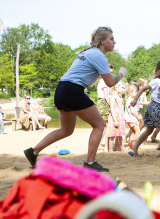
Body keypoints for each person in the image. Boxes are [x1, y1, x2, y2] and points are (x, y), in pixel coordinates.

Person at [23, 26, 127, 172]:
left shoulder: (87, 53)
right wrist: (121, 74)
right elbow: (110, 83)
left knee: (66, 130)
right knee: (99, 125)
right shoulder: (99, 56)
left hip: (61, 89)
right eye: (111, 39)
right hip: (72, 90)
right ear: (102, 40)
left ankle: (33, 151)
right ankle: (90, 163)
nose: (114, 42)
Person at [96, 64, 113, 149]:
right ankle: (99, 144)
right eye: (109, 72)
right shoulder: (103, 81)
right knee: (104, 125)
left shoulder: (101, 81)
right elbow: (106, 96)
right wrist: (112, 106)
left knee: (104, 125)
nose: (111, 74)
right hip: (104, 103)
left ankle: (100, 144)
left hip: (102, 102)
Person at [106, 82, 126, 152]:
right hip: (114, 117)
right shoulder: (113, 97)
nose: (124, 90)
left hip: (120, 116)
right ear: (116, 88)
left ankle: (122, 147)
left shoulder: (120, 97)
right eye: (122, 88)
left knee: (120, 134)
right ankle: (110, 149)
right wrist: (115, 120)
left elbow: (122, 108)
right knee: (112, 134)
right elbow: (112, 109)